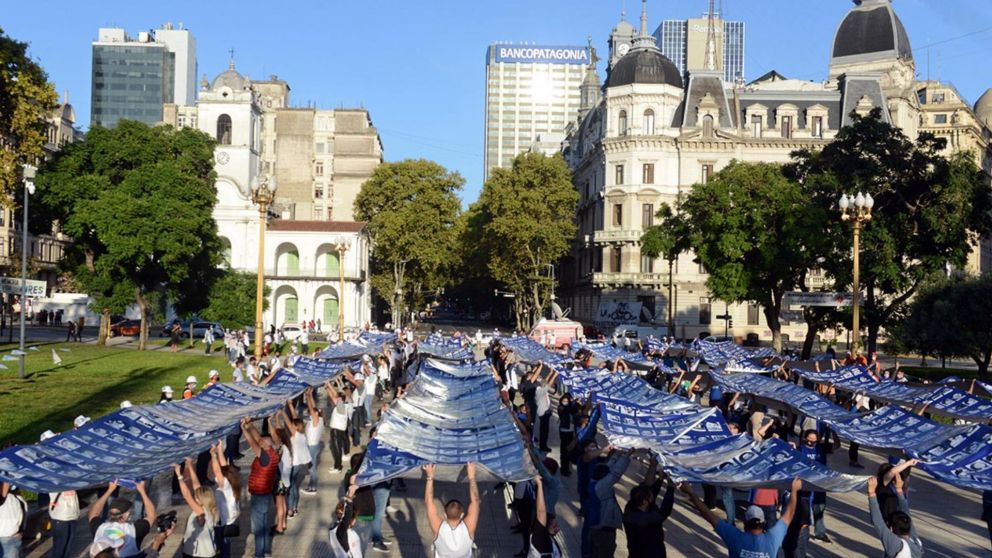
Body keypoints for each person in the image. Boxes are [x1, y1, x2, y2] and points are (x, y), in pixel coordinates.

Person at [683, 477, 802, 558]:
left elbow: (707, 514)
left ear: (745, 523)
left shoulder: (734, 536)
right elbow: (789, 514)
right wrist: (794, 491)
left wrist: (691, 493)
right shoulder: (772, 538)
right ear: (764, 523)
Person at [622, 456, 675, 558]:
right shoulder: (644, 519)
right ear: (645, 502)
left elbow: (650, 490)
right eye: (650, 498)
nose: (653, 498)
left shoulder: (631, 507)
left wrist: (660, 479)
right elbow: (664, 511)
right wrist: (670, 488)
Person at [88, 480, 157, 558]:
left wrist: (109, 490)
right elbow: (151, 515)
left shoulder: (99, 529)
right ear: (126, 515)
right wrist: (142, 491)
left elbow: (94, 513)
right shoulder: (133, 531)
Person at [424, 463, 480, 558]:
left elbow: (428, 501)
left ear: (445, 515)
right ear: (462, 515)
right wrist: (471, 477)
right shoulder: (468, 528)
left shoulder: (438, 528)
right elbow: (476, 501)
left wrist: (430, 476)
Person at [241, 417, 279, 558]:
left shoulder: (264, 456)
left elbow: (252, 442)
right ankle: (265, 551)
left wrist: (243, 429)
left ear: (265, 444)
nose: (260, 442)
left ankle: (259, 555)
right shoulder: (273, 452)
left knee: (258, 529)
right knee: (263, 525)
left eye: (262, 442)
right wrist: (250, 424)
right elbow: (257, 438)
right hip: (266, 493)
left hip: (259, 494)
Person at [796, 429, 839, 543]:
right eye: (809, 441)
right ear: (804, 439)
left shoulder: (821, 448)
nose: (812, 443)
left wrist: (834, 431)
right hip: (805, 483)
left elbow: (836, 446)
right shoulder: (800, 449)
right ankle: (801, 530)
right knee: (803, 508)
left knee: (819, 507)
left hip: (820, 482)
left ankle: (820, 533)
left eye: (814, 441)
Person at [589, 448, 633, 558]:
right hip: (604, 528)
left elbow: (608, 468)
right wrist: (627, 455)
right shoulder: (602, 487)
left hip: (599, 526)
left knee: (599, 551)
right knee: (605, 552)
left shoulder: (595, 482)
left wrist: (618, 453)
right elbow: (615, 473)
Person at [173, 459, 219, 558]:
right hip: (207, 552)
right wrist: (190, 466)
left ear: (201, 500)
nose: (195, 497)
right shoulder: (210, 508)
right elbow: (197, 487)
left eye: (196, 497)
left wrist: (179, 475)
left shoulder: (201, 511)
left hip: (197, 554)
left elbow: (187, 495)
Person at [867, 476, 923, 557]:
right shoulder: (916, 542)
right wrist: (899, 490)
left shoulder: (896, 545)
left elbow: (878, 523)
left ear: (891, 528)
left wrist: (871, 493)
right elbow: (906, 512)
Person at [207, 444, 240, 558]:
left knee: (222, 548)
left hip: (223, 522)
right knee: (226, 546)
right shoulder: (232, 479)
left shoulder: (225, 484)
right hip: (229, 519)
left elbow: (217, 470)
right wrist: (220, 449)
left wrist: (213, 455)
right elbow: (224, 466)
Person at [528, 474, 561, 558]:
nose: (558, 528)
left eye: (556, 525)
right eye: (554, 526)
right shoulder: (540, 539)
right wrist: (539, 484)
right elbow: (541, 512)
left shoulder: (546, 538)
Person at [48, 478, 80, 558]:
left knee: (68, 547)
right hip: (60, 517)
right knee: (60, 547)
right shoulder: (54, 482)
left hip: (72, 516)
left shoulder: (71, 483)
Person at [326, 379, 353, 473]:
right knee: (338, 447)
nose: (336, 398)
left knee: (337, 449)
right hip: (340, 429)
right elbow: (334, 395)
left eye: (338, 398)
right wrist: (328, 387)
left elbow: (333, 396)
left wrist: (328, 385)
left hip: (336, 430)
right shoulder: (344, 404)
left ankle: (338, 467)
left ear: (340, 399)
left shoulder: (341, 406)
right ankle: (337, 465)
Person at [329, 481, 361, 558]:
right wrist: (349, 496)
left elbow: (345, 517)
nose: (355, 521)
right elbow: (347, 516)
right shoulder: (341, 531)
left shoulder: (338, 528)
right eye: (354, 518)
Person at [302, 389, 324, 493]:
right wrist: (310, 395)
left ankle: (313, 487)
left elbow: (311, 408)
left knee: (312, 468)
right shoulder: (318, 419)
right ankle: (311, 485)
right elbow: (313, 407)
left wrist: (307, 397)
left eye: (312, 413)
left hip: (312, 446)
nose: (310, 413)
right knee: (311, 467)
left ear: (316, 414)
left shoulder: (316, 420)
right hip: (313, 445)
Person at [0, 482, 26, 558]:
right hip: (8, 539)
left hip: (12, 538)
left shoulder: (16, 498)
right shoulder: (8, 498)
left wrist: (21, 531)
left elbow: (22, 515)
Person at [557, 393, 579, 477]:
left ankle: (570, 461)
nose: (565, 402)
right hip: (564, 431)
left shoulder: (571, 408)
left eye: (567, 401)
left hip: (570, 431)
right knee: (564, 450)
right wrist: (574, 402)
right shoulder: (561, 408)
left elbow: (575, 410)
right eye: (564, 401)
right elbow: (568, 409)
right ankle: (564, 469)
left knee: (570, 448)